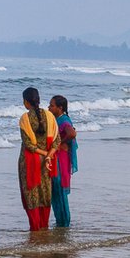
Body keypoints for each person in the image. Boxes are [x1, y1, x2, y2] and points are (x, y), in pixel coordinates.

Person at [19, 86, 59, 231]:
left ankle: (35, 230)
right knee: (44, 194)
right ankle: (44, 228)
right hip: (48, 162)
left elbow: (29, 145)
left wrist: (42, 153)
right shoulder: (50, 116)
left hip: (30, 161)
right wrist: (48, 155)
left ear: (26, 102)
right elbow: (56, 141)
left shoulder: (25, 118)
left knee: (31, 195)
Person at [48, 95, 78, 228]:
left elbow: (72, 133)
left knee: (60, 189)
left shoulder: (64, 120)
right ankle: (60, 222)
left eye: (52, 105)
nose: (49, 107)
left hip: (62, 158)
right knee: (56, 190)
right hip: (57, 157)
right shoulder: (56, 119)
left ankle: (64, 223)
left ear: (60, 108)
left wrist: (60, 143)